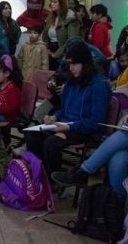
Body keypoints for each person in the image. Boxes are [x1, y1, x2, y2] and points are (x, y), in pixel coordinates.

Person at [52, 57, 128, 197]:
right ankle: (115, 206)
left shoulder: (97, 84)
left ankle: (84, 171)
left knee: (124, 135)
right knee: (118, 159)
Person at [24, 42, 112, 176]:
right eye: (69, 64)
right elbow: (65, 110)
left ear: (85, 63)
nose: (71, 68)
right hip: (66, 125)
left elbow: (95, 122)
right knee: (32, 134)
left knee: (51, 143)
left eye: (74, 64)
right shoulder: (72, 81)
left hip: (86, 131)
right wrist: (55, 117)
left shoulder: (99, 85)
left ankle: (53, 178)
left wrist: (68, 127)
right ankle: (42, 172)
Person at [0, 55, 23, 146]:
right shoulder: (2, 86)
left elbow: (13, 108)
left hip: (7, 117)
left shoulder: (12, 88)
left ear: (7, 73)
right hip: (0, 113)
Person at [42, 0, 81, 71]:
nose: (52, 4)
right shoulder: (51, 17)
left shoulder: (70, 19)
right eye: (51, 2)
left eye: (55, 2)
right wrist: (46, 48)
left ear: (62, 4)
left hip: (64, 51)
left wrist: (56, 54)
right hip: (50, 50)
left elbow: (72, 40)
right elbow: (45, 35)